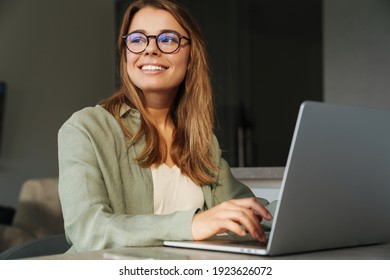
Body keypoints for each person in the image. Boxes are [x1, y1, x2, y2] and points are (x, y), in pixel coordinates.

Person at [58, 0, 274, 253]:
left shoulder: (201, 141)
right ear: (126, 52)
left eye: (168, 39)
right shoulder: (86, 129)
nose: (150, 49)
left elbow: (248, 209)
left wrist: (311, 210)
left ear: (191, 56)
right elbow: (87, 230)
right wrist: (190, 225)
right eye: (138, 39)